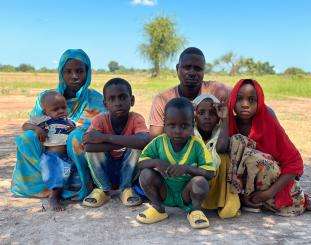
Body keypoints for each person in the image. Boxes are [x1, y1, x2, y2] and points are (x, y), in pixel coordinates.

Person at [11, 49, 105, 202]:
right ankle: (41, 184)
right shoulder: (47, 98)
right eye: (68, 71)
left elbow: (98, 127)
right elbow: (32, 122)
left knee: (76, 137)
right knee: (27, 138)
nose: (74, 76)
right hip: (50, 150)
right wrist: (38, 130)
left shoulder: (96, 99)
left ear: (87, 72)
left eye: (79, 71)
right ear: (61, 72)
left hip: (77, 153)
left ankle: (82, 182)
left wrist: (76, 130)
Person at [226, 78, 311, 216]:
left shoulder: (268, 123)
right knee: (235, 141)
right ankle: (243, 199)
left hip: (269, 185)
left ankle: (297, 198)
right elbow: (221, 151)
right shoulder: (229, 125)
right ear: (232, 102)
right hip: (242, 186)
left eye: (251, 100)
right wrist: (224, 118)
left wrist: (268, 193)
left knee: (253, 156)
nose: (245, 104)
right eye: (239, 99)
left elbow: (294, 162)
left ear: (259, 102)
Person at [136, 98, 216, 229]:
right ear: (164, 124)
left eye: (184, 126)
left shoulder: (197, 144)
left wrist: (187, 169)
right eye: (172, 125)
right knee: (145, 174)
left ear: (193, 124)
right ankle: (157, 208)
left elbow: (210, 173)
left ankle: (195, 211)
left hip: (187, 194)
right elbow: (140, 163)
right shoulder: (159, 142)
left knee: (200, 182)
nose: (177, 131)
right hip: (164, 191)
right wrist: (156, 162)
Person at [82, 78, 150, 207]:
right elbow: (89, 146)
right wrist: (127, 142)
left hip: (129, 171)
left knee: (136, 147)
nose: (118, 103)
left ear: (132, 100)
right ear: (105, 104)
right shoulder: (99, 120)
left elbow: (144, 141)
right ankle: (103, 189)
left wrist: (105, 138)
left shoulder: (136, 118)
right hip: (106, 169)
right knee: (94, 151)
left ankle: (126, 189)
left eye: (123, 97)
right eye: (112, 99)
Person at [149, 47, 230, 138]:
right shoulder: (162, 100)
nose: (192, 73)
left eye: (198, 68)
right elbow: (155, 137)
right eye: (187, 67)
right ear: (177, 69)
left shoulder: (219, 91)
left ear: (203, 71)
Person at [22, 90, 76, 211]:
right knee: (55, 174)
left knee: (64, 175)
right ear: (45, 111)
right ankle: (53, 197)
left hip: (66, 157)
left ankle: (59, 194)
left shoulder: (69, 121)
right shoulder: (43, 120)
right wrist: (37, 129)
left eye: (63, 107)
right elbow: (25, 126)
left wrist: (74, 129)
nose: (61, 111)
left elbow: (77, 132)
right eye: (55, 109)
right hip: (51, 156)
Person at [193, 94, 240, 218]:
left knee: (224, 158)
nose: (207, 117)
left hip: (213, 181)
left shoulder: (220, 131)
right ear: (194, 116)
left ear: (218, 117)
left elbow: (221, 147)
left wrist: (225, 119)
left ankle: (223, 202)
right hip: (195, 186)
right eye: (201, 113)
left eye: (212, 113)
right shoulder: (190, 133)